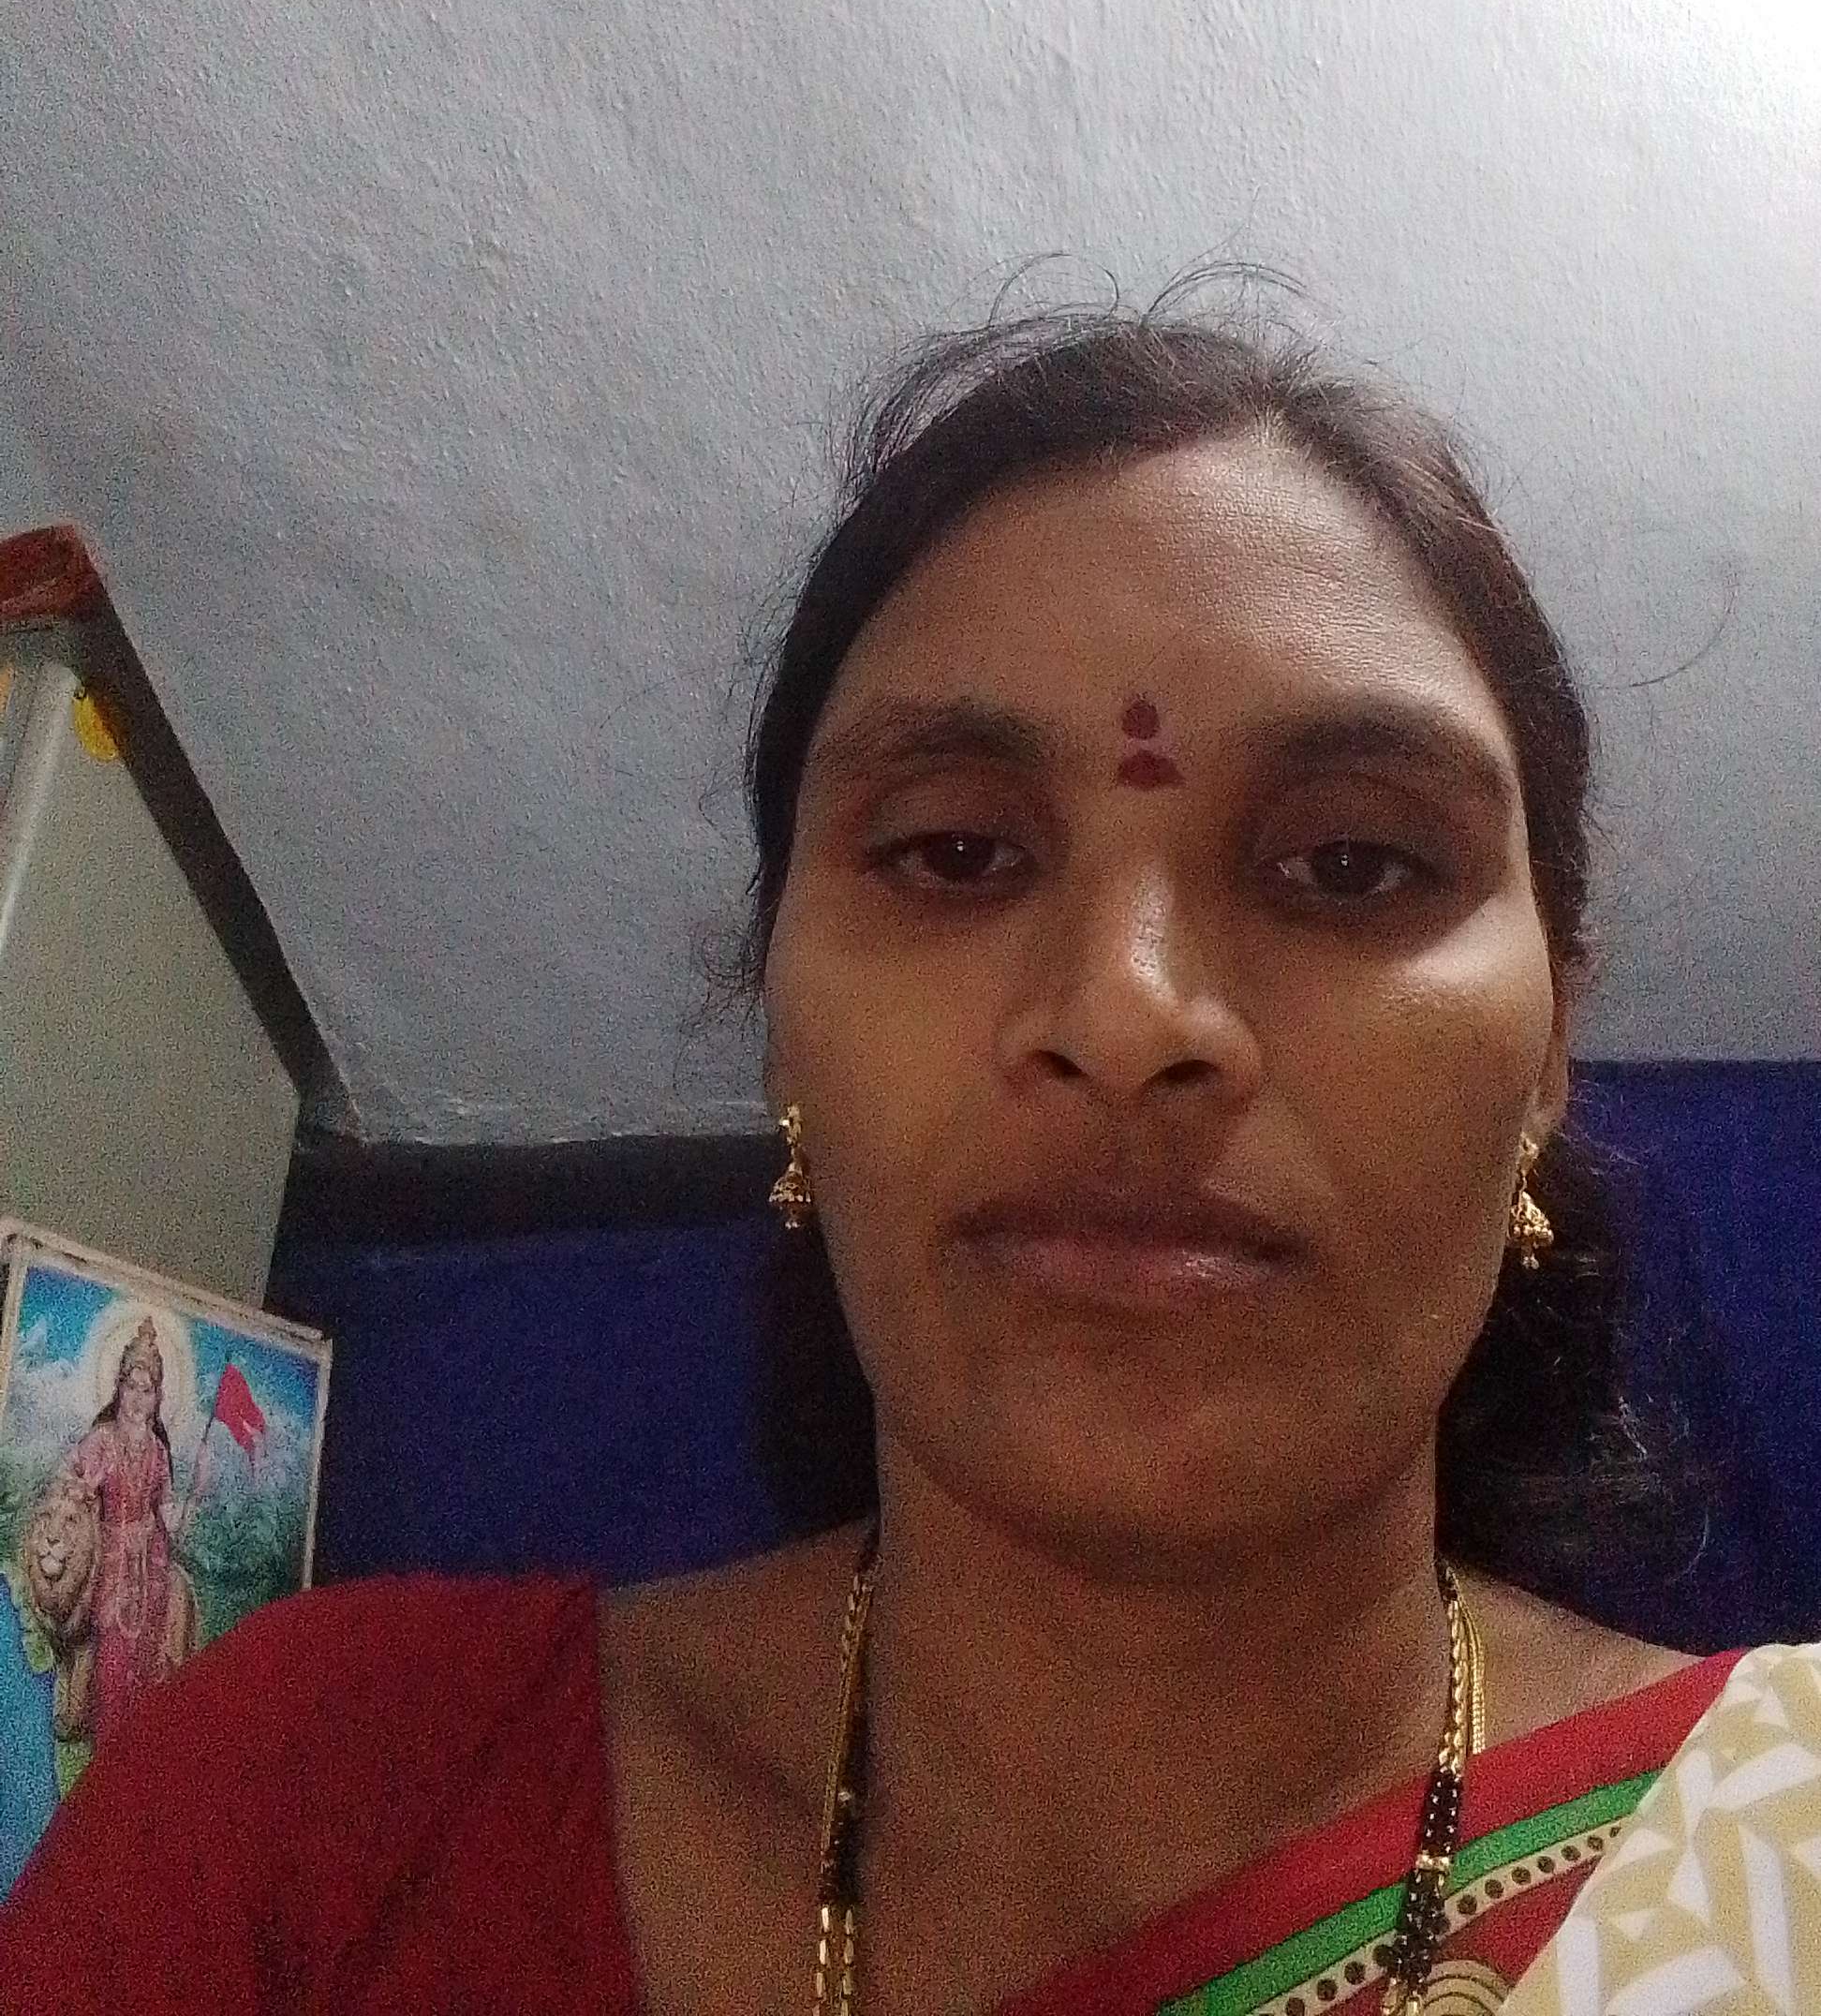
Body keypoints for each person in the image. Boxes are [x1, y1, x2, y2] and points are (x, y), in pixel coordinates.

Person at [3, 295, 1812, 2013]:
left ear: (1547, 1047)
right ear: (780, 1024)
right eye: (954, 853)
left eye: (1350, 865)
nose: (1127, 1016)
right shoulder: (316, 1808)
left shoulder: (1782, 1854)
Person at [58, 1317, 201, 1743]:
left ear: (158, 1398)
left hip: (149, 1570)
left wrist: (198, 1492)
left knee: (149, 1663)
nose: (138, 1399)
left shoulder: (158, 1452)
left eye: (147, 1390)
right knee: (111, 1663)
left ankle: (134, 1754)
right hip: (106, 1563)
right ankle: (103, 1747)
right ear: (118, 1388)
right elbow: (64, 1488)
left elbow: (170, 1519)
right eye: (131, 1387)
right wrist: (84, 1489)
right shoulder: (99, 1441)